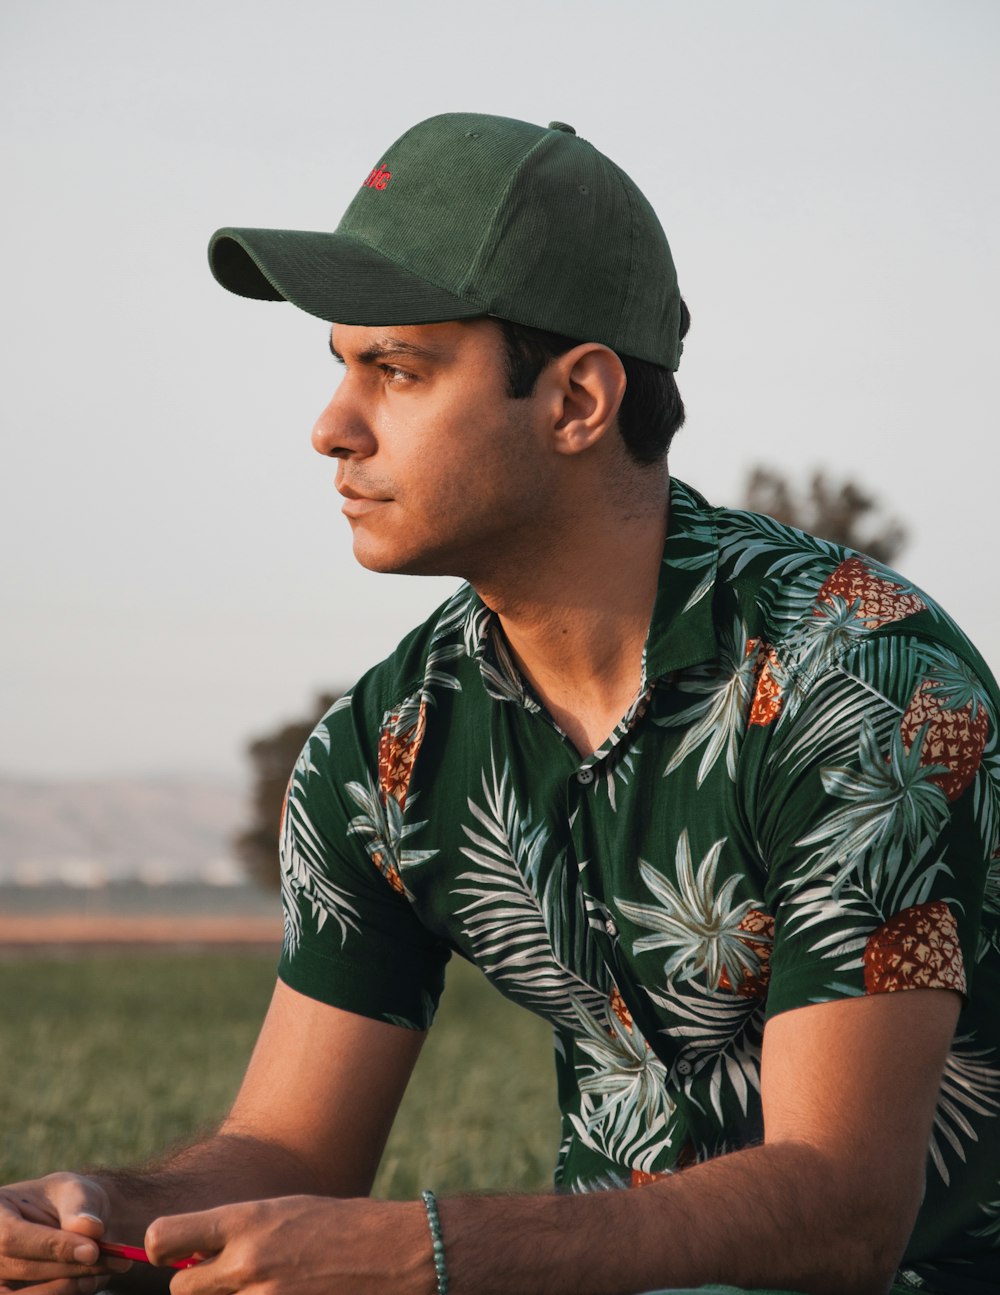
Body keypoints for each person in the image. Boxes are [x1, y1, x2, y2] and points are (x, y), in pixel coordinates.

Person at [2, 112, 999, 1295]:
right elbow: (289, 1150)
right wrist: (106, 1212)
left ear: (577, 400)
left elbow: (842, 1215)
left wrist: (435, 1252)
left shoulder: (858, 679)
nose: (332, 426)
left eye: (398, 369)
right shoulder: (384, 750)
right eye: (339, 366)